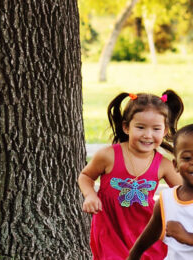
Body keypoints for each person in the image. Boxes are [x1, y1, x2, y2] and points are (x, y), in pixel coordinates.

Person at [78, 91, 185, 259]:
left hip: (146, 230)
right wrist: (90, 195)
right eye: (140, 127)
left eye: (156, 129)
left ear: (164, 131)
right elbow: (85, 176)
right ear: (126, 127)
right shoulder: (108, 155)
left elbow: (184, 192)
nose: (148, 135)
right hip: (110, 230)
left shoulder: (163, 164)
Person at [128, 123, 193, 260]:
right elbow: (152, 232)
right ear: (175, 165)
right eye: (187, 158)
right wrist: (133, 254)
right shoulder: (166, 199)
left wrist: (188, 237)